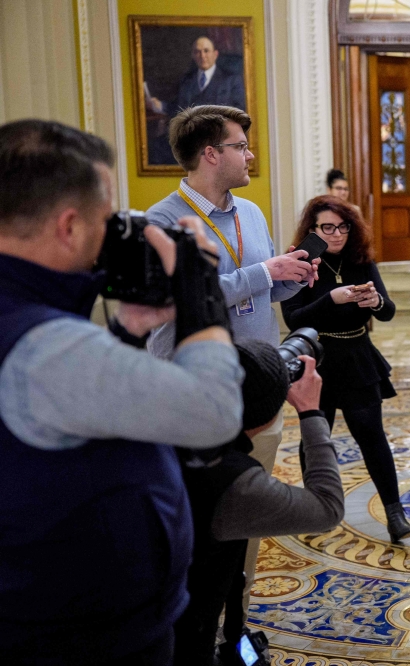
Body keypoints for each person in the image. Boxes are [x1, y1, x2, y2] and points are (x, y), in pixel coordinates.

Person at [0, 119, 242, 665]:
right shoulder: (41, 345)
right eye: (107, 220)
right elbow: (213, 412)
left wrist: (125, 331)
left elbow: (60, 405)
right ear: (68, 226)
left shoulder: (24, 317)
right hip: (85, 637)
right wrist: (201, 292)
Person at [144, 103, 319, 617]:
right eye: (241, 146)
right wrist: (266, 272)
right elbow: (181, 299)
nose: (250, 155)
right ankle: (189, 628)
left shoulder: (251, 213)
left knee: (244, 525)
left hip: (257, 392)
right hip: (193, 396)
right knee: (196, 526)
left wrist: (289, 276)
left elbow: (262, 292)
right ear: (210, 154)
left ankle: (235, 625)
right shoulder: (162, 220)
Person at [174, 342, 344, 666]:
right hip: (173, 639)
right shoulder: (236, 485)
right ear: (268, 414)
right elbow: (328, 508)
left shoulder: (162, 430)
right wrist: (310, 411)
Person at [281, 196, 410, 543]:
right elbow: (292, 318)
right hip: (317, 361)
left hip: (358, 357)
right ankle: (314, 511)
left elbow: (388, 311)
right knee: (315, 437)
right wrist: (332, 299)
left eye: (343, 227)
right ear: (312, 229)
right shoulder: (298, 262)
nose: (337, 234)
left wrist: (376, 302)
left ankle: (395, 513)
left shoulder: (361, 259)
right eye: (328, 228)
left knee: (373, 437)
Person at [147, 37, 247, 117]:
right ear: (193, 55)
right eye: (197, 52)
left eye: (206, 51)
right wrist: (160, 106)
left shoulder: (232, 80)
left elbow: (239, 112)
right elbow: (178, 109)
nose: (202, 56)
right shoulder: (186, 80)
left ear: (215, 54)